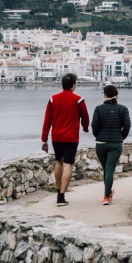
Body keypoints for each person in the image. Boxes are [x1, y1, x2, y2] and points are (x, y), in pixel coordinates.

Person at [42, 73, 89, 206]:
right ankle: (61, 197)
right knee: (68, 164)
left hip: (56, 136)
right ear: (73, 85)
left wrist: (44, 139)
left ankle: (58, 192)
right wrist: (85, 128)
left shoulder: (53, 99)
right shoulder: (79, 100)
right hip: (71, 137)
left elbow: (47, 120)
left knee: (58, 162)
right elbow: (85, 117)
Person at [91, 85, 131, 205]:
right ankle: (106, 196)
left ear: (105, 94)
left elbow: (94, 127)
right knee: (109, 170)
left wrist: (99, 136)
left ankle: (108, 194)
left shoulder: (99, 109)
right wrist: (120, 137)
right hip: (116, 144)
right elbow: (127, 126)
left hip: (101, 144)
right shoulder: (123, 109)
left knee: (106, 169)